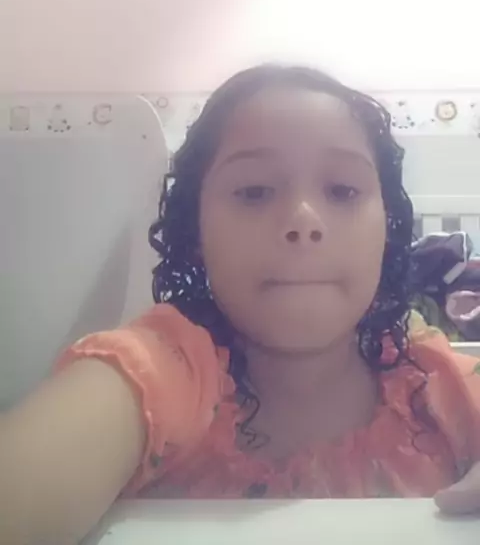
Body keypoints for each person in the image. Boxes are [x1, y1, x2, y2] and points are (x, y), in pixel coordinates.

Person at [1, 65, 479, 544]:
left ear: (387, 229)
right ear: (197, 233)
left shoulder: (438, 384)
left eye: (342, 191)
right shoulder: (158, 372)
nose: (304, 220)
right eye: (254, 192)